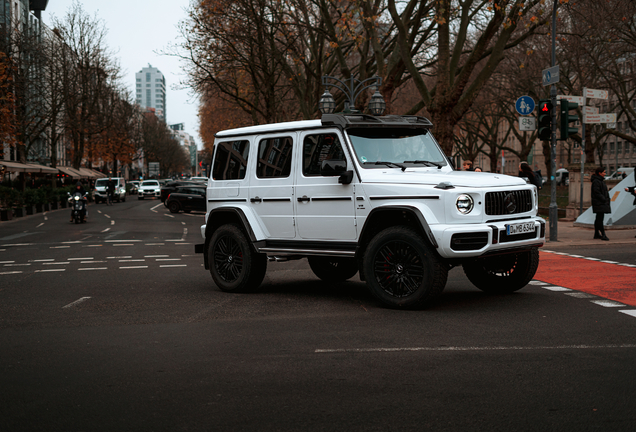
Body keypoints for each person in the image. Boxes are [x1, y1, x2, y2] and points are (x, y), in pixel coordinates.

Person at [591, 167, 610, 241]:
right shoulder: (597, 181)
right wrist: (604, 199)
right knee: (600, 219)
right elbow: (597, 192)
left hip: (599, 202)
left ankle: (596, 234)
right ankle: (603, 234)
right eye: (604, 172)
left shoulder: (599, 181)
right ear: (600, 173)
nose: (605, 174)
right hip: (599, 202)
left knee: (598, 218)